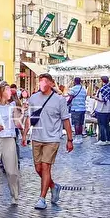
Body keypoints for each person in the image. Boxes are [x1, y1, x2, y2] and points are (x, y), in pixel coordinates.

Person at [24, 73, 73, 210]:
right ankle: (53, 186)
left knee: (46, 167)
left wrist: (70, 139)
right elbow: (29, 117)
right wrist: (24, 134)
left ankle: (42, 198)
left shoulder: (59, 100)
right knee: (38, 168)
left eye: (45, 82)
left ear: (52, 84)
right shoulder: (33, 98)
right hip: (37, 137)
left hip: (52, 138)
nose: (42, 84)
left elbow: (66, 120)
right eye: (40, 82)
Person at [94, 76, 110, 145]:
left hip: (102, 109)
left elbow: (102, 100)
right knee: (107, 125)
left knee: (101, 125)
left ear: (102, 81)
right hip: (109, 109)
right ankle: (109, 139)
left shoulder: (102, 89)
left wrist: (95, 98)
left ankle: (103, 140)